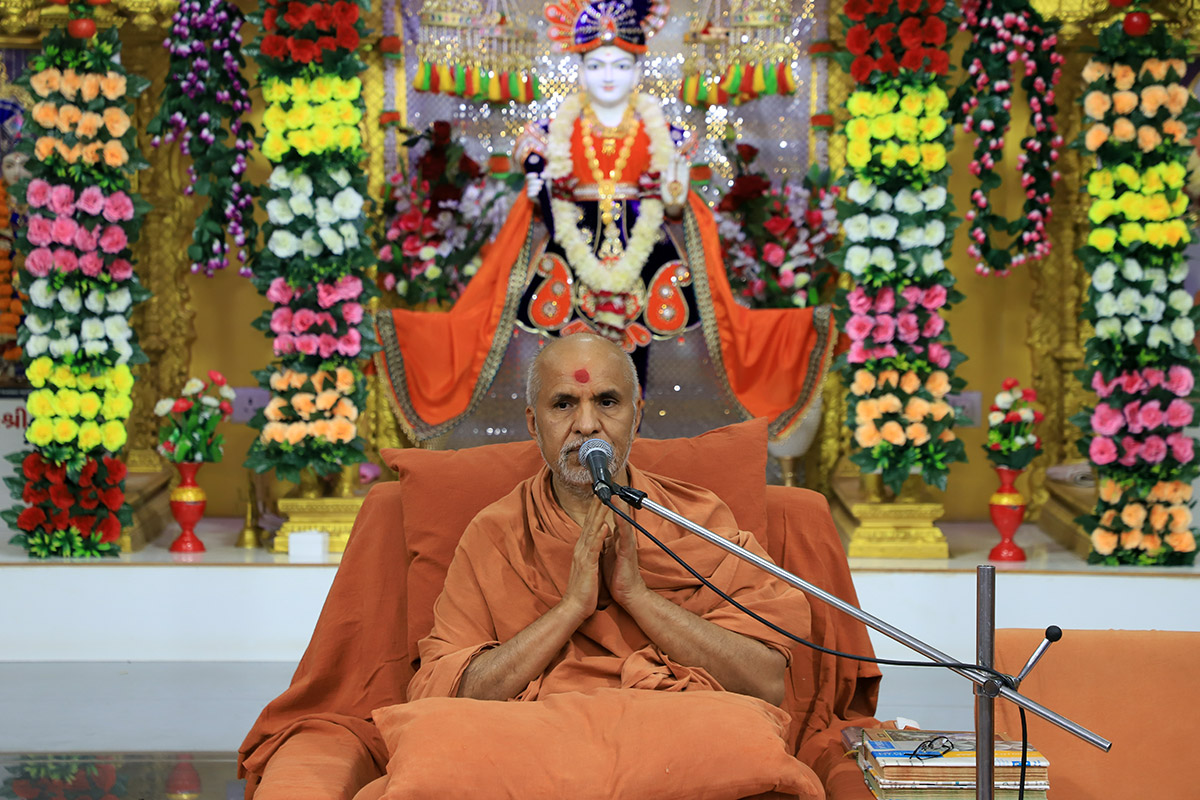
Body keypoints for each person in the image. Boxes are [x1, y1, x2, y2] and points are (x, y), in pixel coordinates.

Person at [374, 0, 833, 446]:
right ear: (579, 69)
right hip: (571, 255)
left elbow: (675, 207)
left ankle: (627, 457)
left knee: (629, 371)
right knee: (568, 370)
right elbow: (544, 203)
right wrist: (542, 187)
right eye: (595, 65)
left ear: (637, 69)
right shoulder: (550, 132)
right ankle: (564, 459)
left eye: (619, 65)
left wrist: (674, 195)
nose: (608, 76)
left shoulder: (663, 132)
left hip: (642, 254)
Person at [409, 333, 810, 707]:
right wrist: (570, 609)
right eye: (563, 404)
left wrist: (638, 597)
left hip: (671, 724)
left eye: (607, 402)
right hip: (544, 732)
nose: (587, 425)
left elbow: (765, 683)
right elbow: (449, 693)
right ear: (533, 423)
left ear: (636, 418)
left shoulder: (695, 518)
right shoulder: (497, 532)